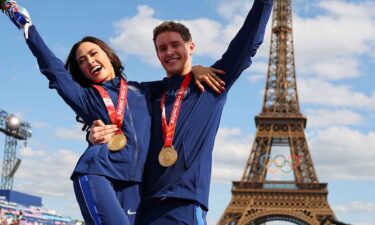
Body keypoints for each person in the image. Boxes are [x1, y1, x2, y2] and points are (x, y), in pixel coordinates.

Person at [1, 1, 225, 225]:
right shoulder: (87, 98)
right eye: (82, 61)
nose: (89, 61)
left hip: (137, 189)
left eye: (93, 53)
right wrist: (27, 28)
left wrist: (196, 68)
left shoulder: (146, 91)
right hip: (100, 175)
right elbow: (53, 69)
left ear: (109, 56)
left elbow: (179, 80)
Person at [90, 0, 273, 224]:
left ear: (191, 47)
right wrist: (94, 132)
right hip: (144, 206)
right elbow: (109, 99)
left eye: (175, 45)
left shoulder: (211, 83)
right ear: (157, 55)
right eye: (162, 48)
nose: (169, 52)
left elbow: (247, 45)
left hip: (184, 205)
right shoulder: (148, 93)